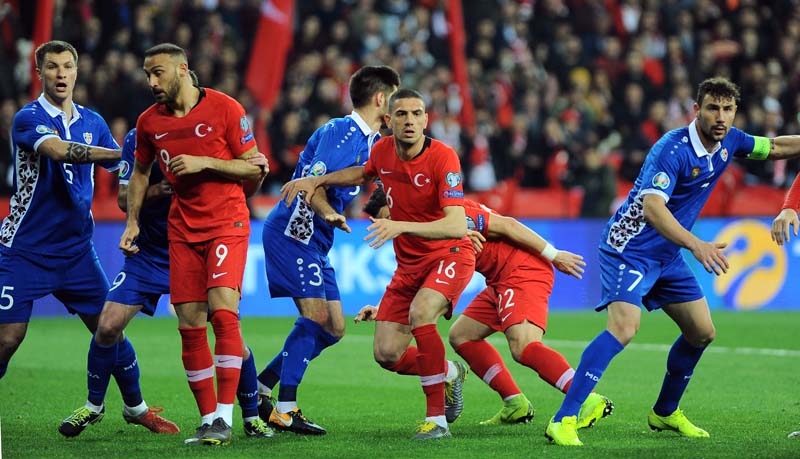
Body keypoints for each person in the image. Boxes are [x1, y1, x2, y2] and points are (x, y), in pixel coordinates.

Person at [545, 76, 800, 446]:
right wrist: (697, 246)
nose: (721, 117)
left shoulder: (731, 140)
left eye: (728, 109)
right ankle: (564, 418)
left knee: (702, 332)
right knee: (624, 328)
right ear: (696, 110)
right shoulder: (672, 149)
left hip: (666, 253)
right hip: (629, 248)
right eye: (713, 108)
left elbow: (775, 147)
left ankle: (664, 412)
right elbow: (652, 209)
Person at [281, 88, 474, 440]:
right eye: (402, 114)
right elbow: (361, 174)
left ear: (426, 120)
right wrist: (318, 179)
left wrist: (400, 225)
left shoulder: (444, 158)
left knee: (421, 314)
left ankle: (437, 421)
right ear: (389, 120)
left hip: (448, 255)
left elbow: (457, 225)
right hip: (409, 265)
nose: (410, 121)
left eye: (417, 113)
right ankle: (447, 372)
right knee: (387, 354)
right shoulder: (383, 150)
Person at [61, 126, 274, 440]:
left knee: (230, 336)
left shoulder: (211, 130)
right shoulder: (140, 136)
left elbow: (240, 189)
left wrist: (256, 174)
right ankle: (94, 405)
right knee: (107, 325)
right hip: (149, 254)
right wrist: (156, 192)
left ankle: (252, 417)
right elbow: (122, 198)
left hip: (197, 247)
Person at [357, 188, 614, 429]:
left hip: (522, 269)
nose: (391, 226)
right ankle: (515, 402)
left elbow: (509, 225)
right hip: (498, 279)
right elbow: (415, 274)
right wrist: (384, 307)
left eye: (390, 217)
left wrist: (554, 254)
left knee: (523, 346)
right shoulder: (418, 229)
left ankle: (588, 398)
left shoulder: (451, 213)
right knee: (462, 336)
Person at [120, 43, 266, 446]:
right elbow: (139, 173)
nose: (152, 81)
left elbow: (254, 165)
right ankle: (207, 420)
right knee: (189, 324)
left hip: (227, 222)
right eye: (148, 74)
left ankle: (224, 416)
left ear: (183, 69)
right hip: (182, 229)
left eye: (159, 72)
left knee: (223, 311)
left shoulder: (226, 108)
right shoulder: (149, 123)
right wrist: (132, 220)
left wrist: (207, 163)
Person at [0, 40, 148, 428]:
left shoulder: (93, 122)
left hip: (78, 251)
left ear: (77, 72)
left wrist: (137, 196)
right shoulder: (27, 118)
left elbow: (124, 176)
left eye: (67, 66)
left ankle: (137, 408)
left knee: (109, 327)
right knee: (7, 338)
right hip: (25, 249)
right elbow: (61, 151)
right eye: (52, 67)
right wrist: (123, 155)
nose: (61, 74)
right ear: (40, 73)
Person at [256, 65, 400, 436]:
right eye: (395, 99)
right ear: (381, 99)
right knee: (316, 317)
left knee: (335, 327)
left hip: (316, 242)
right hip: (293, 234)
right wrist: (330, 213)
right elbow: (309, 184)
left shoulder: (371, 144)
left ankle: (258, 389)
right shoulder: (341, 133)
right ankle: (285, 409)